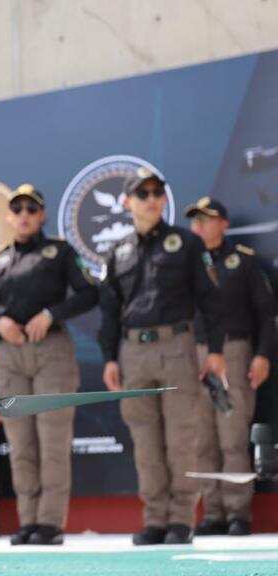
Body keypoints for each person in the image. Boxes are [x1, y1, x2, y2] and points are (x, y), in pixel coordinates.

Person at [99, 168, 227, 546]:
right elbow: (109, 310)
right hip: (132, 351)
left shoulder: (186, 243)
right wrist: (109, 358)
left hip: (177, 347)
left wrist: (216, 351)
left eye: (157, 192)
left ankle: (181, 520)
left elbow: (210, 299)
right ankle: (154, 519)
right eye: (143, 193)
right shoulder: (116, 250)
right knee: (146, 441)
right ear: (127, 202)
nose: (152, 199)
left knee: (181, 439)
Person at [0, 184, 98, 545]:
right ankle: (28, 520)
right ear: (8, 216)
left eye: (31, 209)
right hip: (12, 357)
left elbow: (90, 293)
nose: (23, 215)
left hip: (51, 350)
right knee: (20, 443)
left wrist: (51, 313)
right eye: (17, 209)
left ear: (42, 215)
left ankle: (50, 522)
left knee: (52, 439)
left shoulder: (60, 252)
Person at [186, 197, 275, 537]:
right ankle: (213, 514)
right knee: (201, 441)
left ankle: (238, 513)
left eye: (207, 219)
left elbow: (267, 314)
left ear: (223, 223)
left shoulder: (244, 262)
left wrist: (263, 354)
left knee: (233, 438)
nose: (200, 227)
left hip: (234, 352)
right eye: (196, 221)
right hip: (194, 355)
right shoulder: (185, 264)